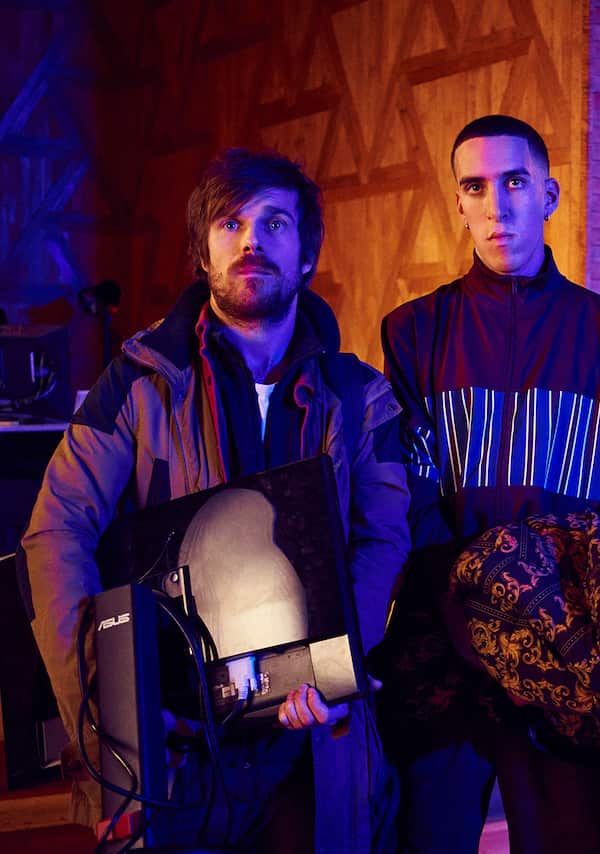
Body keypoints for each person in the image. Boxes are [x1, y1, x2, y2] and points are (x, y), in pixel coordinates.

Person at [21, 148, 409, 852]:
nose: (252, 241)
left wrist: (334, 672)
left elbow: (383, 540)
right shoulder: (137, 382)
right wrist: (110, 705)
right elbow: (56, 531)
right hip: (174, 750)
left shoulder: (360, 396)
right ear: (203, 253)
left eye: (275, 224)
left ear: (306, 256)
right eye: (231, 223)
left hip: (311, 746)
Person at [376, 114, 600, 854]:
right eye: (476, 187)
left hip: (565, 654)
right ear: (459, 203)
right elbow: (412, 495)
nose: (496, 204)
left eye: (515, 182)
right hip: (443, 643)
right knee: (428, 840)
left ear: (549, 195)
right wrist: (467, 617)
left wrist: (575, 633)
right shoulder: (412, 331)